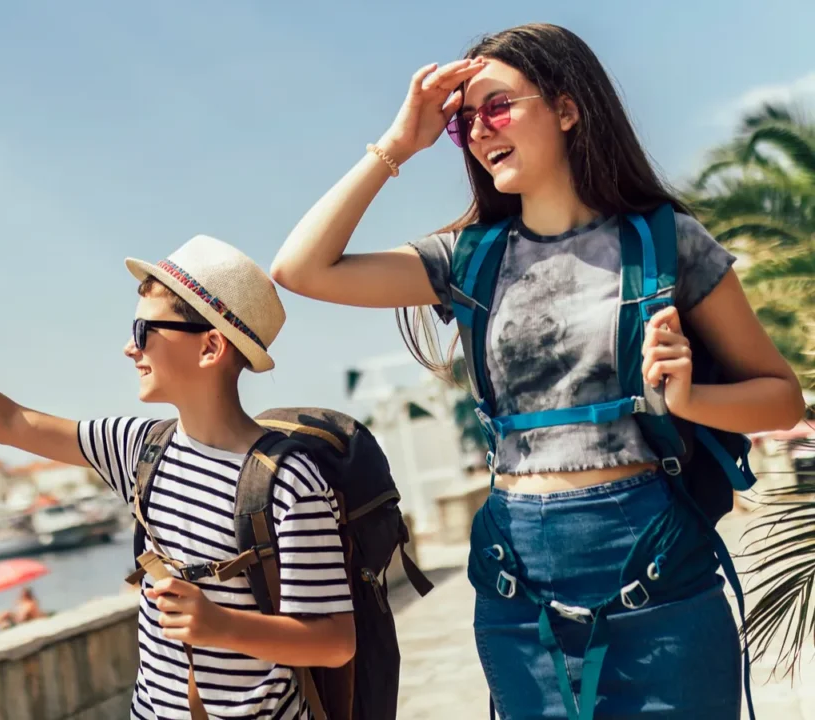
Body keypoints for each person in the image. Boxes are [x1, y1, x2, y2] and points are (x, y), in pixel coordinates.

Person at [269, 23, 806, 719]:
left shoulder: (668, 243)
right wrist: (397, 145)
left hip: (658, 573)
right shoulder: (467, 259)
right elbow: (300, 269)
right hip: (516, 585)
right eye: (464, 121)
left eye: (497, 106)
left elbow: (781, 398)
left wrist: (689, 396)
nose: (478, 130)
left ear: (567, 108)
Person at [0, 235, 355, 718]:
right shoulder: (141, 447)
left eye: (144, 330)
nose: (130, 347)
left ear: (210, 346)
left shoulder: (288, 480)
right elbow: (11, 421)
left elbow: (335, 641)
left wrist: (224, 627)